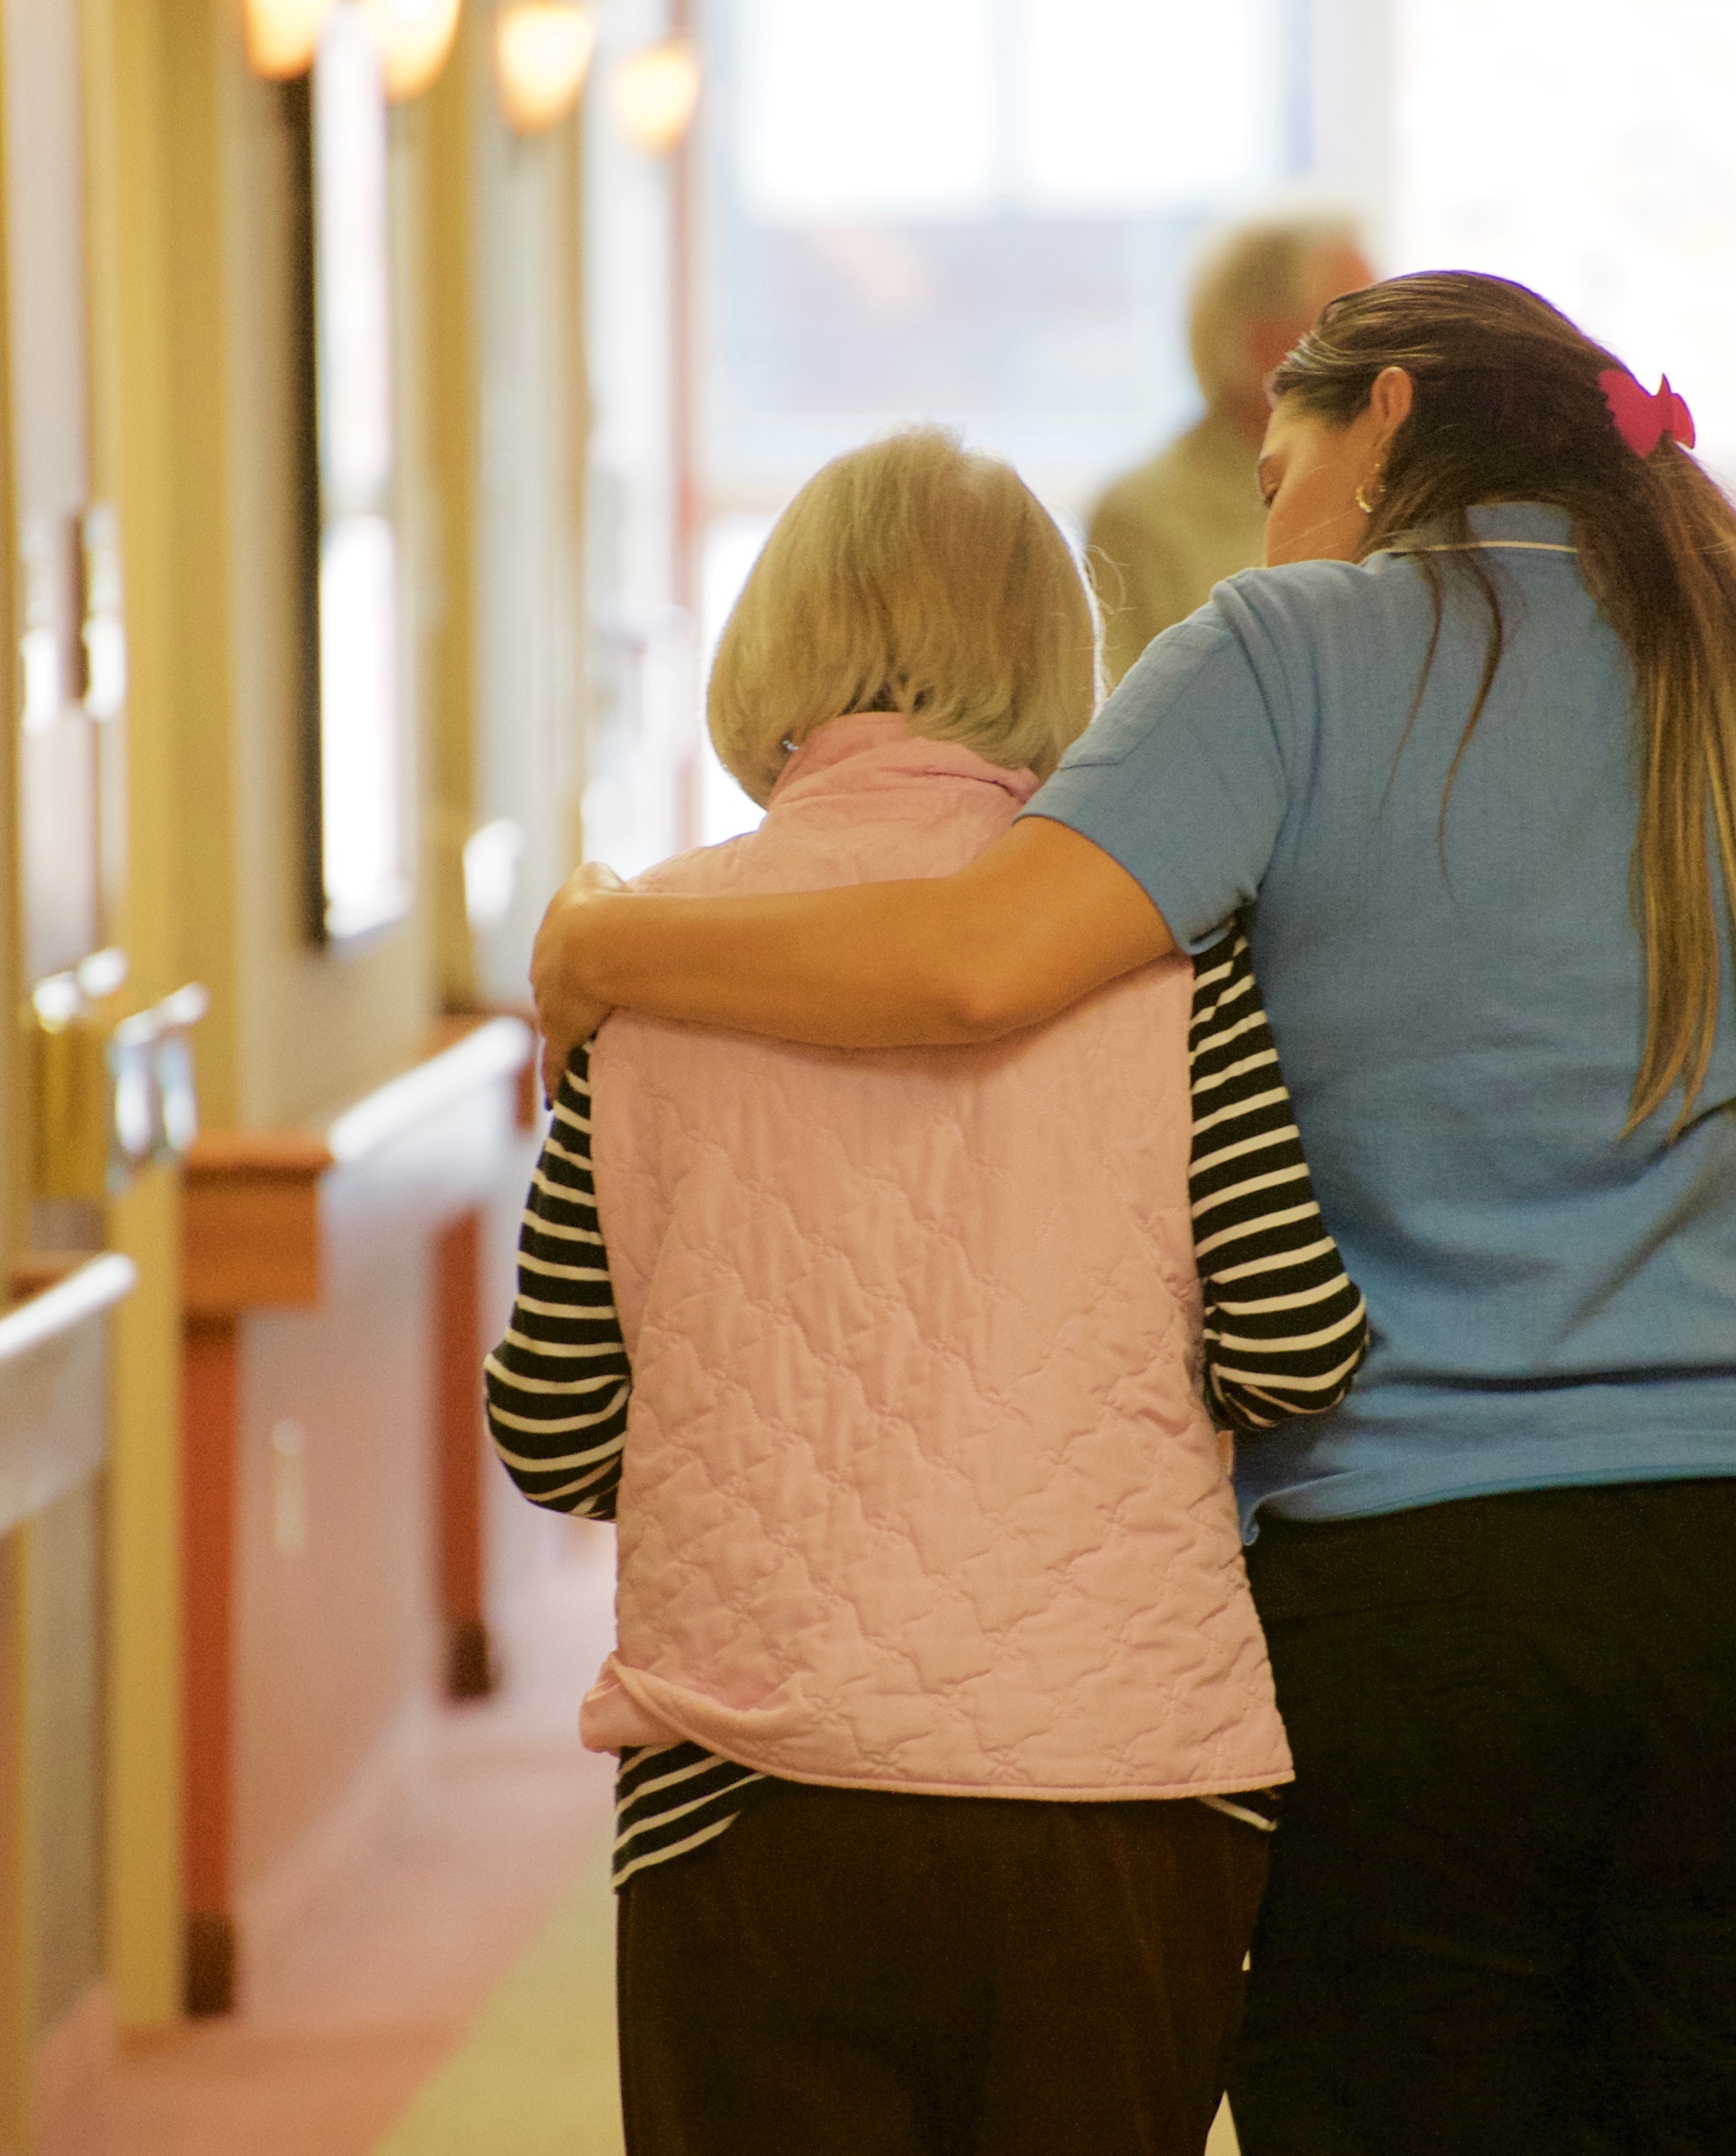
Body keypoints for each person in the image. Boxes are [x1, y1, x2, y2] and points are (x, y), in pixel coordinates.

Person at [530, 273, 1736, 2154]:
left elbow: (983, 968)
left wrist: (609, 942)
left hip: (1406, 1584)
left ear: (1382, 417)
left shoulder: (1272, 658)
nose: (1267, 521)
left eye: (1272, 471)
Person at [481, 428, 1369, 2156]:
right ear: (1055, 657)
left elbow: (555, 1422)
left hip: (748, 1779)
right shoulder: (1164, 947)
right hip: (1116, 1780)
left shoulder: (641, 959)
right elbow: (1293, 1338)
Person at [1086, 206, 1373, 678]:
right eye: (1356, 327)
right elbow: (1125, 719)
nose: (1385, 353)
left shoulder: (1396, 484)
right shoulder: (1141, 516)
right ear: (1269, 345)